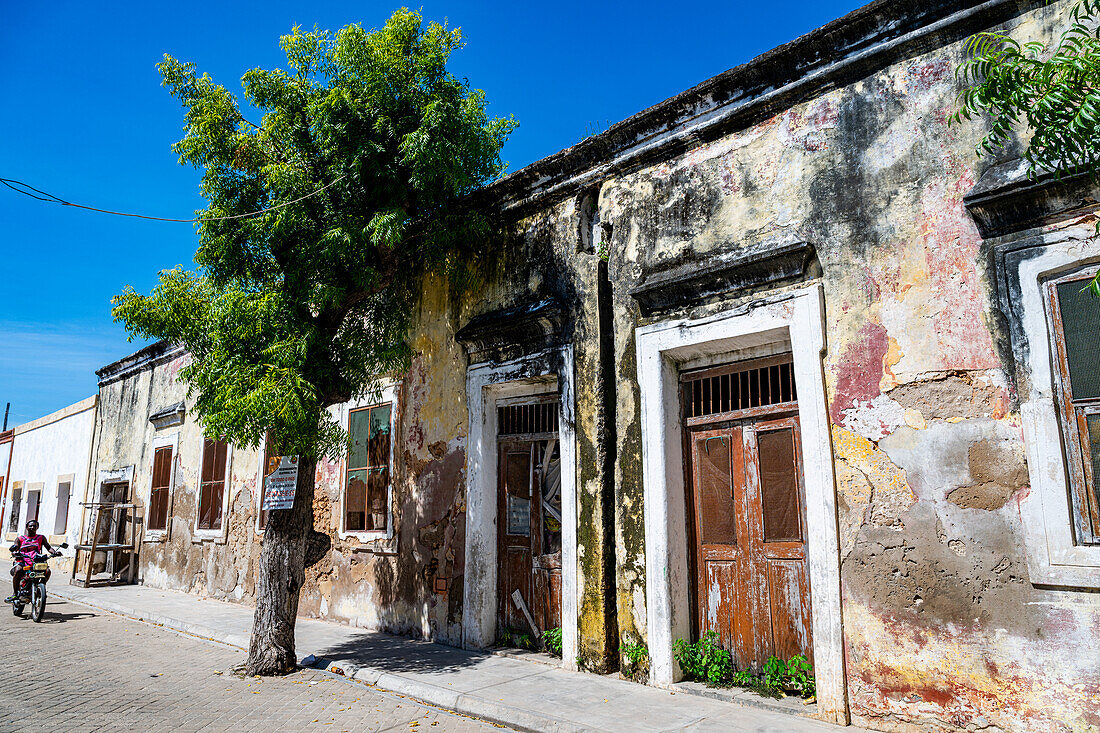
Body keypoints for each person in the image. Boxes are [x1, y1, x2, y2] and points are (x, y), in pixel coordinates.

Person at [6, 519, 56, 603]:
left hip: (36, 561)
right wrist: (14, 552)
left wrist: (54, 552)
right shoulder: (20, 538)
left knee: (47, 571)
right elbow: (15, 547)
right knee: (18, 570)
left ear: (37, 528)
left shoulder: (41, 538)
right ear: (26, 527)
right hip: (23, 560)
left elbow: (48, 547)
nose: (32, 527)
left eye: (34, 526)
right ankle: (15, 593)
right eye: (30, 526)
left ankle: (41, 588)